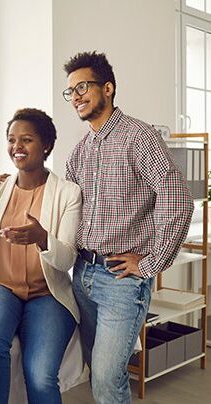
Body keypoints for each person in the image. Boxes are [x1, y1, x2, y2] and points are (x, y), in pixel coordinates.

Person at [62, 51, 194, 403]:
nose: (76, 96)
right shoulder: (79, 152)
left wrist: (149, 265)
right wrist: (13, 185)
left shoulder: (141, 137)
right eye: (71, 91)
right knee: (97, 370)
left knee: (107, 379)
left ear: (108, 88)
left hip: (121, 281)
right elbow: (64, 207)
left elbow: (179, 202)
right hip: (83, 276)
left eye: (83, 87)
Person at [0, 108, 82, 404]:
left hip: (47, 294)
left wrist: (41, 239)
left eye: (26, 140)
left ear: (47, 145)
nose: (17, 147)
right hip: (0, 288)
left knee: (39, 375)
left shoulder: (68, 193)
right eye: (12, 140)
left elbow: (67, 259)